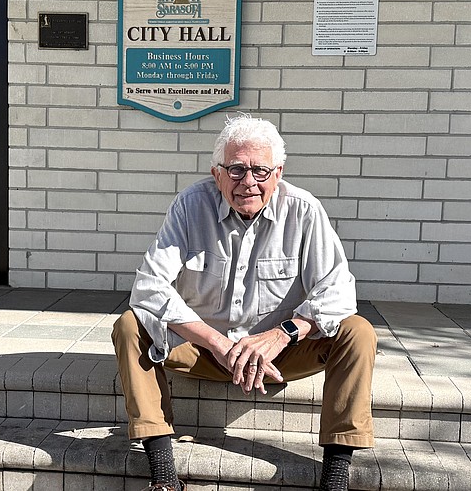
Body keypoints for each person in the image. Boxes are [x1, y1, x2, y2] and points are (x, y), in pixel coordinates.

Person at [112, 114, 377, 491]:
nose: (247, 182)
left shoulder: (304, 210)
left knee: (357, 331)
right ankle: (164, 475)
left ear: (278, 173)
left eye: (260, 170)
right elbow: (149, 286)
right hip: (204, 349)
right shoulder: (190, 205)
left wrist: (284, 333)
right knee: (129, 325)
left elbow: (338, 291)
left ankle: (335, 478)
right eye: (235, 169)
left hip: (278, 356)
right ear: (216, 173)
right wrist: (216, 342)